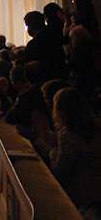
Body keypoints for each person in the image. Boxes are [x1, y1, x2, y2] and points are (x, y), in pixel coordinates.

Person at [49, 88, 101, 218]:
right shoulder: (96, 127)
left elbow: (61, 171)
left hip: (84, 195)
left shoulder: (67, 135)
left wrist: (52, 152)